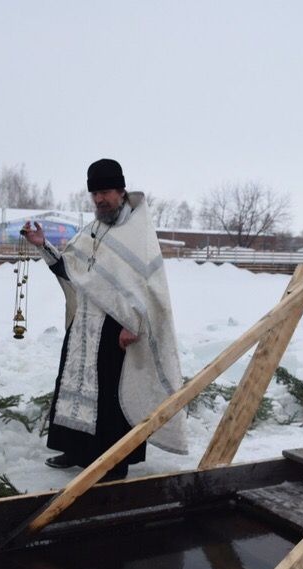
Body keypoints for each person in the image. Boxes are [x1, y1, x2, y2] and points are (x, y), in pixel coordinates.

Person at [23, 159, 187, 480]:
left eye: (106, 192)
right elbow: (73, 270)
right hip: (85, 324)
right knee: (76, 385)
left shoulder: (137, 232)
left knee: (111, 397)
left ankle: (114, 461)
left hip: (116, 328)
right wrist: (44, 246)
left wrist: (134, 323)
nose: (100, 199)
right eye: (95, 193)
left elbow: (149, 289)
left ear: (121, 191)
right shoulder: (94, 229)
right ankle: (75, 449)